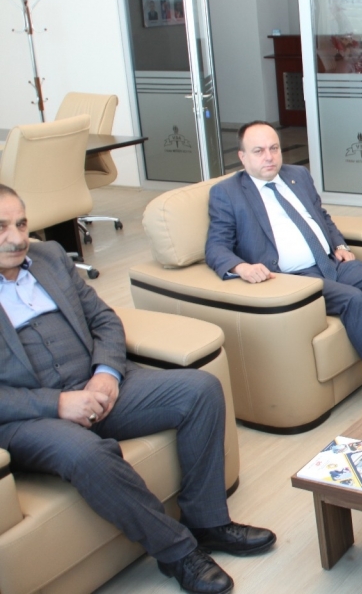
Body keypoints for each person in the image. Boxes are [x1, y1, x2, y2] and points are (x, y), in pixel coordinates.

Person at [0, 185, 274, 594]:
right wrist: (57, 403)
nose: (17, 237)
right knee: (86, 453)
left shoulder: (51, 256)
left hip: (96, 385)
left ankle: (207, 522)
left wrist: (106, 373)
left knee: (201, 390)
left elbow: (105, 320)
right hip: (32, 417)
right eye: (2, 227)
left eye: (22, 224)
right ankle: (178, 552)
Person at [205, 121, 362, 401]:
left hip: (331, 262)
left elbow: (322, 217)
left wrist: (339, 244)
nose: (269, 157)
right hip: (296, 278)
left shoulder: (298, 175)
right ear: (242, 157)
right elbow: (216, 246)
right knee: (354, 299)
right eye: (258, 151)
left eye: (274, 148)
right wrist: (241, 267)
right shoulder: (227, 193)